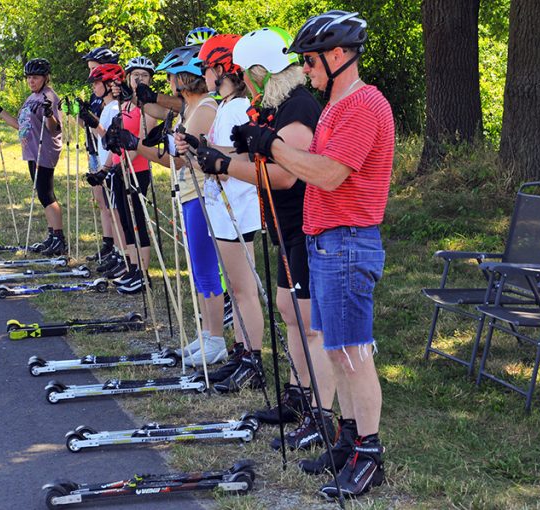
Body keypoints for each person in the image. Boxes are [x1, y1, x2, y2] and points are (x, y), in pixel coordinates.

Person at [230, 10, 394, 500]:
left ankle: (369, 453)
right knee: (335, 349)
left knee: (352, 351)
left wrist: (272, 146)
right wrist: (264, 145)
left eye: (311, 59)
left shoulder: (363, 105)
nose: (305, 68)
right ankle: (347, 436)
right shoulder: (336, 106)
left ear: (339, 55)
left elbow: (326, 174)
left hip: (347, 240)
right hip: (327, 240)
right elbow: (309, 166)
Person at [195, 26, 337, 450]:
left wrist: (224, 165)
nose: (246, 83)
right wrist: (226, 154)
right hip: (285, 226)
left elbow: (284, 175)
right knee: (287, 309)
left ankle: (320, 411)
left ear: (260, 72)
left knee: (310, 323)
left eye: (247, 73)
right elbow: (258, 153)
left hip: (306, 225)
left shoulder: (298, 107)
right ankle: (297, 393)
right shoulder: (279, 106)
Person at [116, 44, 226, 366]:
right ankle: (207, 333)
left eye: (171, 77)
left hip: (201, 194)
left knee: (206, 268)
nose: (169, 83)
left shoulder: (205, 108)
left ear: (183, 78)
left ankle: (217, 338)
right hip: (188, 193)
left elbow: (177, 161)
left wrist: (136, 146)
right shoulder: (188, 109)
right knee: (198, 270)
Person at [175, 34, 264, 393]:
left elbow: (244, 155)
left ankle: (253, 359)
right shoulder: (227, 104)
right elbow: (214, 156)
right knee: (238, 290)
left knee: (243, 292)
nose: (204, 74)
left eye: (208, 67)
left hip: (238, 209)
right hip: (221, 205)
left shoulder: (240, 106)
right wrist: (194, 148)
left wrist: (208, 150)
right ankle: (241, 352)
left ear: (221, 69)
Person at [0, 58, 66, 255]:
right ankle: (51, 235)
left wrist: (49, 114)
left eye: (36, 78)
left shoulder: (49, 96)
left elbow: (54, 127)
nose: (31, 81)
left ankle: (59, 238)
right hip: (31, 151)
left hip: (44, 150)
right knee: (42, 194)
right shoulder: (32, 98)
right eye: (29, 78)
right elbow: (20, 124)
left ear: (46, 78)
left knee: (46, 193)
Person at [103, 56, 159, 294]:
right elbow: (117, 137)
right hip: (118, 167)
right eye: (135, 75)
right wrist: (107, 167)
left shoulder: (147, 106)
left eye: (144, 76)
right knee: (125, 221)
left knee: (137, 221)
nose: (139, 79)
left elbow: (142, 141)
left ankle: (143, 274)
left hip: (137, 170)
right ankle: (133, 266)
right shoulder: (124, 104)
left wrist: (125, 164)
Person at [78, 47, 120, 265]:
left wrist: (91, 120)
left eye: (95, 71)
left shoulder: (113, 104)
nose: (91, 78)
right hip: (97, 152)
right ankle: (109, 245)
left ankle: (119, 250)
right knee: (104, 203)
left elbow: (108, 134)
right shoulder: (101, 101)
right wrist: (81, 114)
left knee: (116, 207)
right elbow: (94, 129)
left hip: (109, 160)